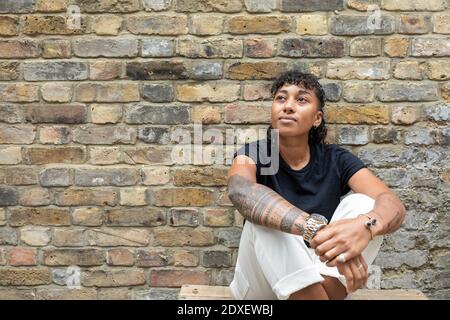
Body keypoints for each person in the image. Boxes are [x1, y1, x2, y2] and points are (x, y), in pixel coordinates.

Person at [226, 70, 406, 300]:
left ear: (317, 118)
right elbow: (239, 190)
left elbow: (392, 204)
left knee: (364, 204)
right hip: (262, 286)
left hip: (322, 277)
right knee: (263, 215)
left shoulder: (336, 159)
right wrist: (316, 230)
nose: (288, 106)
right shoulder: (256, 152)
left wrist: (365, 227)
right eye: (281, 98)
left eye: (301, 100)